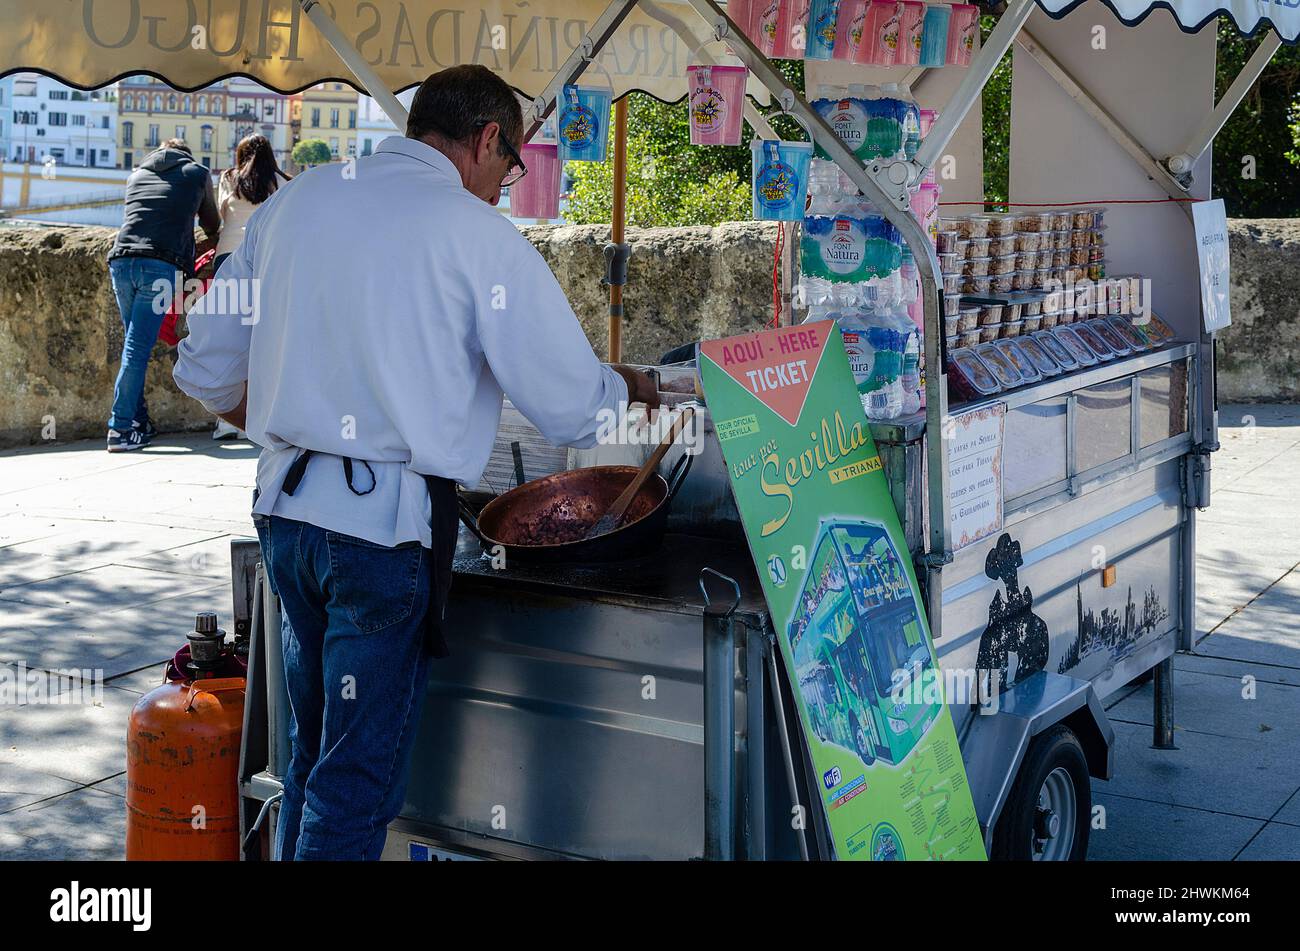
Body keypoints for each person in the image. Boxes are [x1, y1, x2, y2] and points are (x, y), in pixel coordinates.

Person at [172, 65, 659, 860]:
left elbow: (206, 366)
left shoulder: (298, 201)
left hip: (286, 520)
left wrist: (292, 428)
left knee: (310, 765)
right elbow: (572, 406)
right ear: (486, 139)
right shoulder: (475, 235)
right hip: (378, 536)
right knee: (352, 786)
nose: (507, 183)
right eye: (511, 163)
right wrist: (633, 386)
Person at [106, 138, 220, 452]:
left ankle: (138, 422)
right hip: (159, 265)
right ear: (188, 153)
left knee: (132, 346)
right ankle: (119, 429)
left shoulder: (136, 174)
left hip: (121, 260)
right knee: (136, 349)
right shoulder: (197, 173)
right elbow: (212, 222)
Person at [211, 134, 290, 440]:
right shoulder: (284, 182)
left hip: (228, 259)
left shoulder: (229, 179)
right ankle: (257, 415)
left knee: (230, 338)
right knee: (261, 340)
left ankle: (226, 420)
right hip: (265, 262)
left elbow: (221, 214)